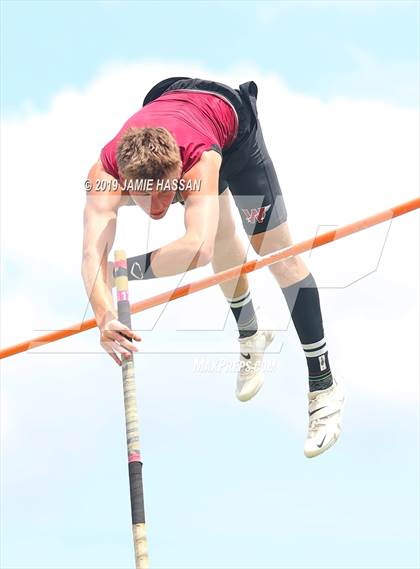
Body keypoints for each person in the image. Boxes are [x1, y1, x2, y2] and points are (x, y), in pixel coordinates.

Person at [82, 77, 345, 458]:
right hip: (172, 99)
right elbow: (92, 255)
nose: (158, 206)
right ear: (127, 182)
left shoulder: (199, 163)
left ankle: (324, 387)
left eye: (168, 193)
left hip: (233, 133)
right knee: (223, 234)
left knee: (274, 252)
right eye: (147, 196)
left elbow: (197, 250)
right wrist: (104, 317)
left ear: (178, 175)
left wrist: (126, 272)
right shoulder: (105, 177)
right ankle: (252, 334)